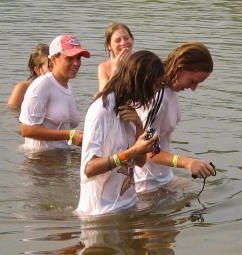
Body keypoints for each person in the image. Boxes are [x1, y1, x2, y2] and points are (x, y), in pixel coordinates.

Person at [76, 50, 165, 216]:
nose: (155, 93)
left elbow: (139, 162)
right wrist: (131, 152)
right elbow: (89, 168)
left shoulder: (128, 108)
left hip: (128, 205)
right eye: (155, 86)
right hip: (101, 214)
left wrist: (139, 127)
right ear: (142, 82)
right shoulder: (100, 110)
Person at [134, 41, 216, 194]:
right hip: (145, 184)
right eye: (193, 81)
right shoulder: (158, 97)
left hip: (163, 177)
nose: (193, 88)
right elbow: (144, 149)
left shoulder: (170, 92)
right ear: (179, 69)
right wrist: (188, 163)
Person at [19, 34, 90, 150]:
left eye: (78, 58)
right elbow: (26, 129)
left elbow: (66, 129)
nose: (76, 63)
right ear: (53, 59)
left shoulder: (68, 87)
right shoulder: (41, 85)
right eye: (70, 58)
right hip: (39, 161)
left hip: (61, 158)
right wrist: (69, 135)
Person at [8, 43, 50, 109]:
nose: (55, 70)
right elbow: (12, 112)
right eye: (50, 66)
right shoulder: (23, 87)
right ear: (38, 69)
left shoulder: (60, 86)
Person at [98, 21, 134, 92]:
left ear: (132, 39)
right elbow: (103, 99)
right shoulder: (104, 68)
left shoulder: (141, 62)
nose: (123, 43)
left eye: (126, 38)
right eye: (118, 40)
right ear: (109, 46)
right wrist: (115, 69)